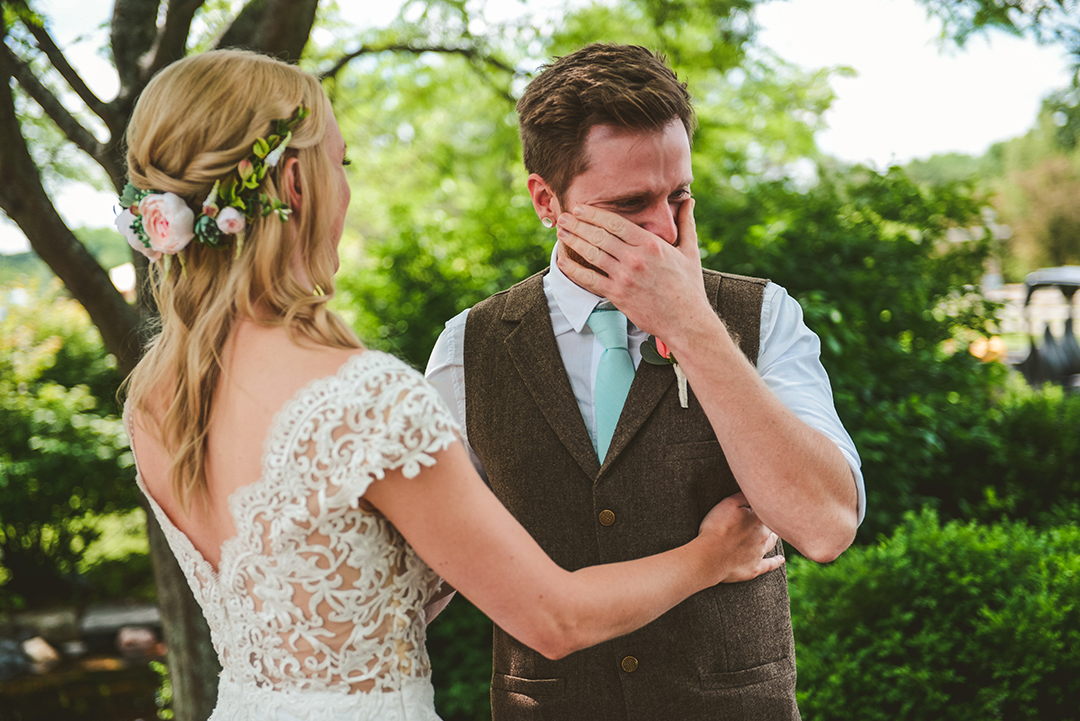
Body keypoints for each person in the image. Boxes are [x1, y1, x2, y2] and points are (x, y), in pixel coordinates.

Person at [118, 49, 786, 721]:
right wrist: (711, 555)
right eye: (338, 164)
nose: (343, 190)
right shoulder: (362, 400)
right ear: (295, 182)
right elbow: (552, 618)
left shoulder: (155, 400)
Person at [425, 43, 865, 720]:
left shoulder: (763, 315)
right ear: (547, 200)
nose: (663, 228)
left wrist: (693, 327)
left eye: (678, 195)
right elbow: (419, 580)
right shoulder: (468, 348)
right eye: (631, 204)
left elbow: (826, 525)